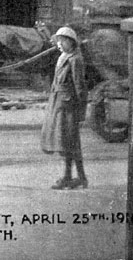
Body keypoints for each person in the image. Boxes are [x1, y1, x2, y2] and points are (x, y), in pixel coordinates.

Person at [41, 25, 88, 189]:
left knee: (70, 143)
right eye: (57, 41)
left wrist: (81, 112)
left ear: (71, 42)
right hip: (58, 104)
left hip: (69, 107)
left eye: (62, 41)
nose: (59, 44)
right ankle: (75, 177)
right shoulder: (63, 57)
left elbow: (80, 87)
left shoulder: (75, 59)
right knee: (66, 143)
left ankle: (75, 177)